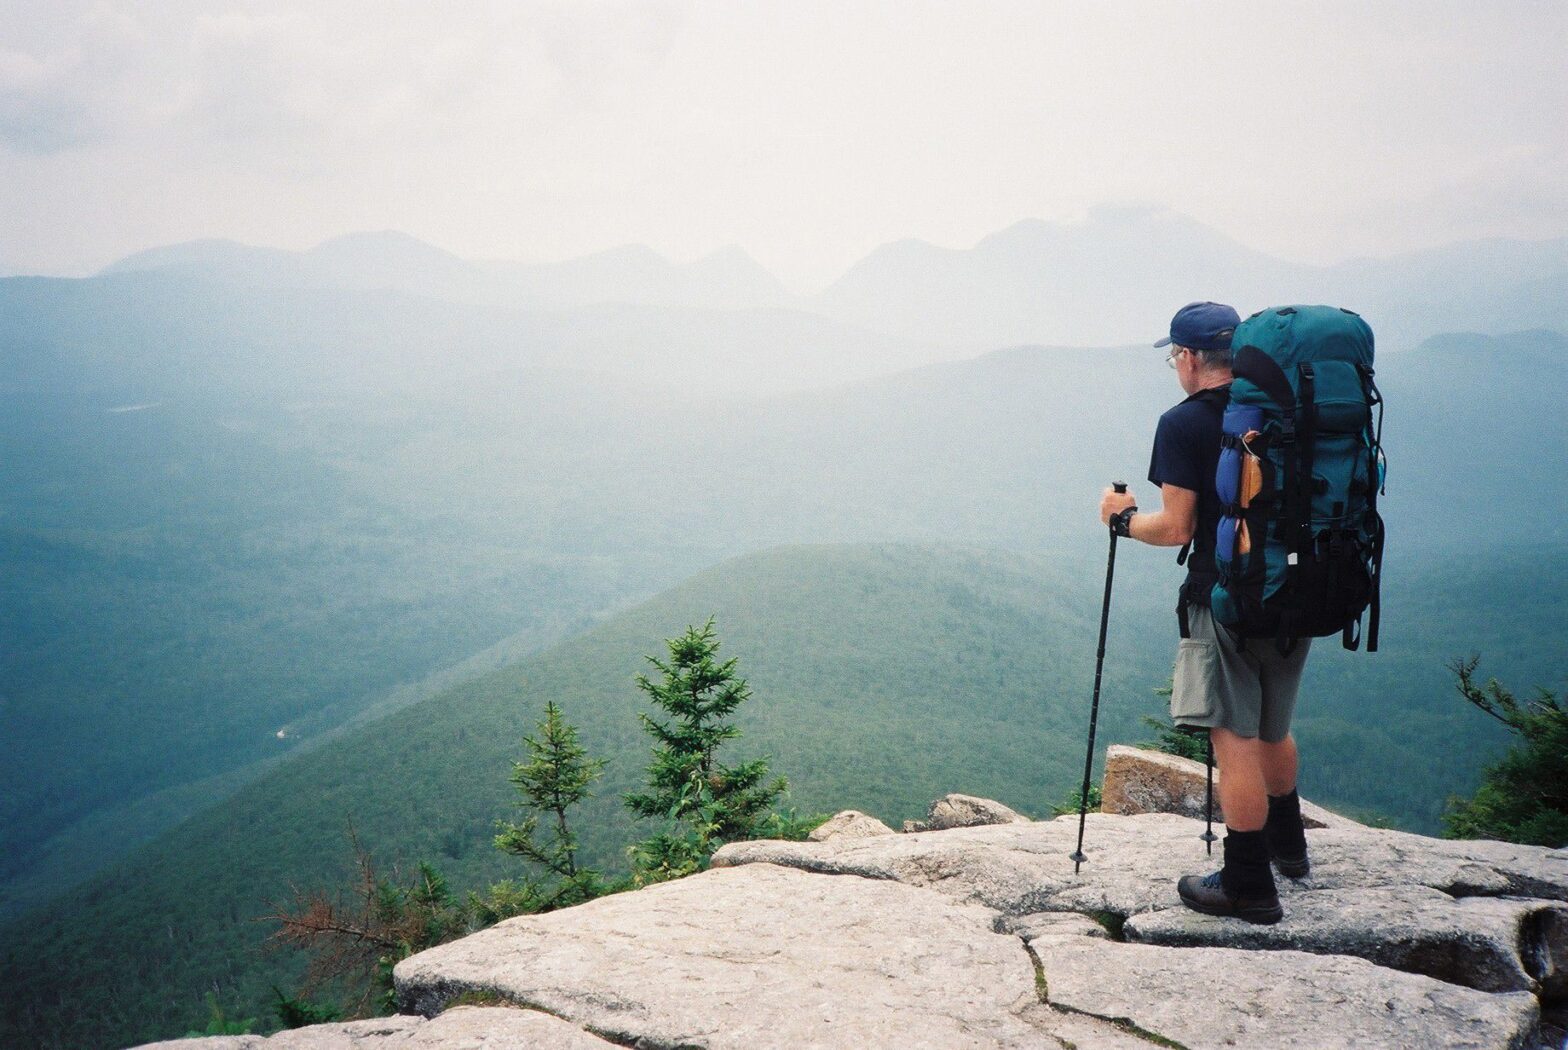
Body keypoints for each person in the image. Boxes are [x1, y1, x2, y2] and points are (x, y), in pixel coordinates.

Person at [1097, 301, 1310, 925]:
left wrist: (1123, 519)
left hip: (1227, 598)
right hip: (1298, 588)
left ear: (1190, 358)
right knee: (1273, 725)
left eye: (1174, 356)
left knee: (1232, 736)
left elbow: (1176, 528)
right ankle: (1289, 849)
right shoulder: (1284, 407)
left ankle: (1248, 883)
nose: (1175, 366)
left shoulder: (1184, 423)